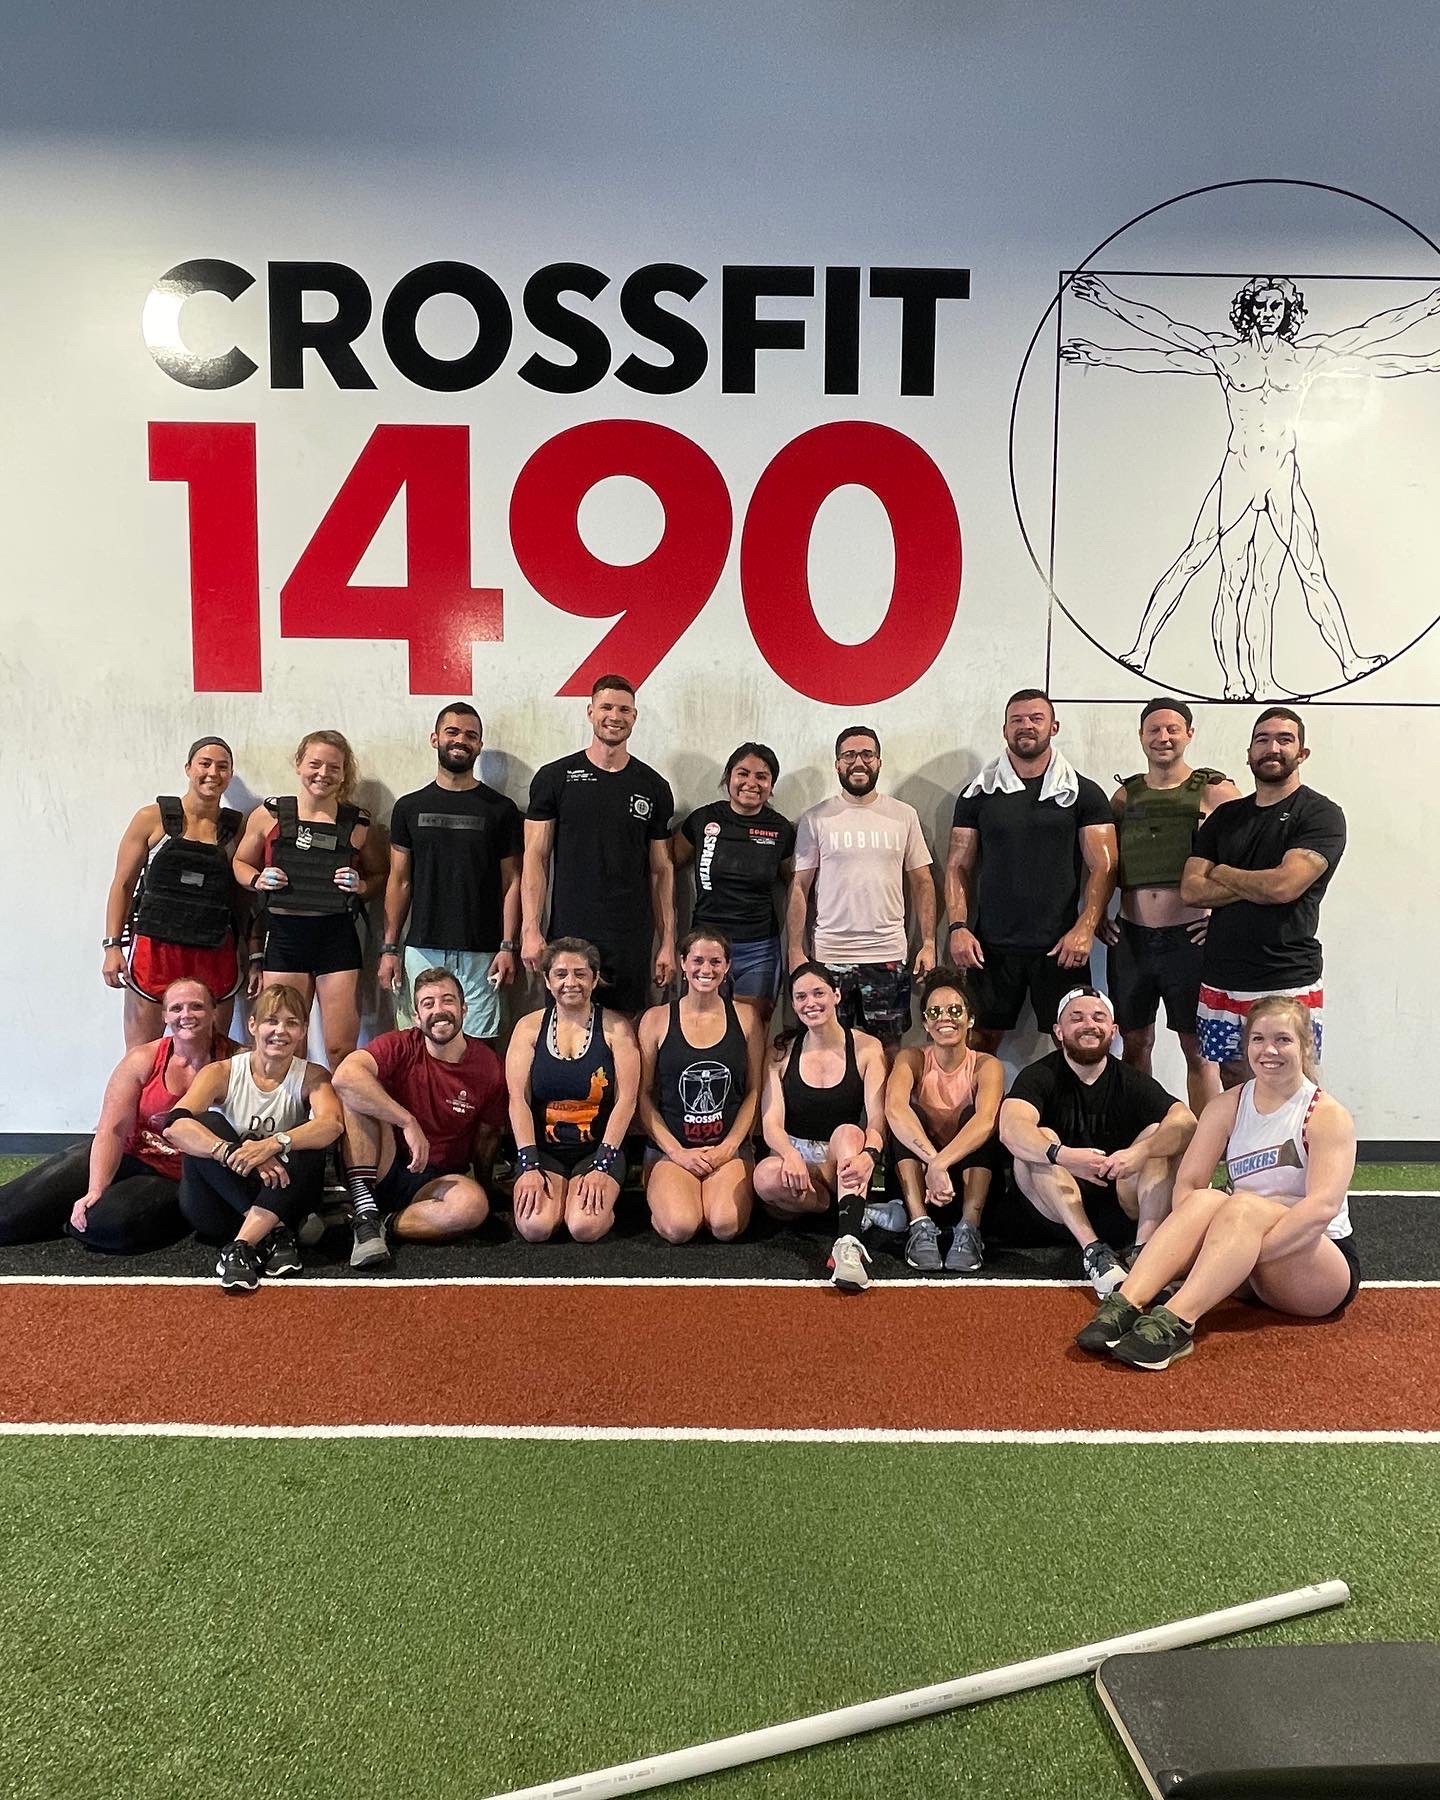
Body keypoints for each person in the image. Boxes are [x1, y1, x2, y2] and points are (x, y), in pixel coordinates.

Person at [1060, 274, 1440, 696]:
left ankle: (1341, 662)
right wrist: (1104, 325)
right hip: (1240, 472)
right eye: (1261, 305)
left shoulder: (1304, 359)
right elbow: (1166, 343)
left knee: (1298, 574)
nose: (1268, 314)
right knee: (1218, 570)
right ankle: (1183, 662)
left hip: (1282, 476)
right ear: (1249, 309)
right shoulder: (1229, 355)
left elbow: (1369, 343)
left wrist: (1428, 327)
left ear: (1288, 312)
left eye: (1277, 306)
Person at [1076, 997, 1358, 1370]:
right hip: (1240, 1251)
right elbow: (1189, 1186)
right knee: (1205, 1200)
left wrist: (1243, 1254)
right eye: (1258, 1039)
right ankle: (1125, 1303)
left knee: (1242, 1205)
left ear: (1306, 1046)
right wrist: (1223, 1250)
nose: (1269, 1050)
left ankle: (1176, 1321)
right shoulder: (1227, 1106)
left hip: (1313, 1263)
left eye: (1283, 1039)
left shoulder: (1326, 1115)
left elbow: (1320, 1210)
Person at [0, 978, 241, 1251]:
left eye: (196, 1006)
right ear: (164, 1015)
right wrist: (95, 1189)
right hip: (128, 1155)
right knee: (7, 1214)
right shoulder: (142, 1059)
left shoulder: (238, 1062)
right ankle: (64, 1210)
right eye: (176, 1008)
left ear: (213, 1011)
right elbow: (111, 1130)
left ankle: (70, 1220)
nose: (186, 1015)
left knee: (106, 1225)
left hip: (176, 1177)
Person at [1182, 708, 1345, 1087]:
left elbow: (1283, 887)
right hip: (1222, 976)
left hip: (1286, 977)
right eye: (1262, 739)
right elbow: (1191, 889)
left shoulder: (1320, 814)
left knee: (1290, 1081)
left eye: (1284, 739)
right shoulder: (1226, 817)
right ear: (1249, 754)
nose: (1272, 747)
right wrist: (1262, 881)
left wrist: (1222, 871)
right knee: (1232, 1078)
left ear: (1302, 753)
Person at [946, 690, 1117, 1053]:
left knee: (1076, 1044)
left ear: (1054, 727)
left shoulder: (1084, 793)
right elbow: (958, 865)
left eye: (1036, 719)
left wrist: (1085, 928)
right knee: (977, 1044)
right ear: (1005, 729)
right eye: (1017, 720)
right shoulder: (977, 795)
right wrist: (958, 927)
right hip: (990, 948)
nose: (1026, 726)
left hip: (1062, 947)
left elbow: (1104, 865)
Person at [999, 986, 1197, 1296]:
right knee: (1040, 1141)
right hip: (1055, 1212)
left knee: (1158, 1134)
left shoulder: (1130, 1080)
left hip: (1119, 1207)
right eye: (1077, 1018)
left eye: (1098, 1018)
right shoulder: (1039, 1075)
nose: (1089, 1025)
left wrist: (1141, 1152)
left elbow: (1187, 1122)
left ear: (1113, 1030)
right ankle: (1094, 1252)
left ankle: (1144, 1251)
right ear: (1058, 1031)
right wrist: (1064, 1156)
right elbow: (1010, 1128)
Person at [1101, 698, 1240, 1115]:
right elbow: (1102, 863)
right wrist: (1095, 916)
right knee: (1135, 1042)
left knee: (1198, 1049)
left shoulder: (1216, 791)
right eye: (1154, 729)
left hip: (1190, 942)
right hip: (1131, 940)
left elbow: (1247, 859)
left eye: (1172, 729)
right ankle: (1142, 1133)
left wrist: (1223, 917)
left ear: (1189, 734)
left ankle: (1205, 1140)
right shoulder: (1125, 796)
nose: (1163, 737)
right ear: (1141, 736)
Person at [163, 984, 343, 1293]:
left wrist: (271, 1145)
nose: (280, 1031)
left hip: (279, 1195)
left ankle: (241, 1246)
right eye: (271, 1021)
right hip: (224, 1205)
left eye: (291, 1023)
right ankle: (276, 1233)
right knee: (206, 1123)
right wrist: (231, 1151)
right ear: (253, 1025)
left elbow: (332, 1124)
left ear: (303, 1031)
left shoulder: (312, 1075)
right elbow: (173, 1126)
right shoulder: (221, 1072)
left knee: (308, 1140)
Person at [331, 966, 508, 1269]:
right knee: (355, 1093)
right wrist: (406, 1121)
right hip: (381, 1162)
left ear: (464, 1009)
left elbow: (487, 1137)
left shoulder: (488, 1066)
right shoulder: (400, 1044)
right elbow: (344, 1076)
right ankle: (364, 1208)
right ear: (416, 1016)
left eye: (448, 1000)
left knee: (472, 1206)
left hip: (435, 1180)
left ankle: (382, 1223)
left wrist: (486, 1187)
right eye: (428, 1004)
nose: (439, 1011)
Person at [522, 675, 676, 1019]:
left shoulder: (653, 786)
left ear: (634, 717)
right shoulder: (555, 778)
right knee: (567, 1028)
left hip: (629, 937)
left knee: (625, 1031)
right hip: (569, 934)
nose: (615, 716)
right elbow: (535, 857)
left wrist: (667, 941)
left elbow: (661, 870)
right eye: (606, 707)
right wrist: (530, 929)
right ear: (590, 712)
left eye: (624, 709)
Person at [232, 730, 387, 1067]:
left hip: (337, 937)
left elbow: (380, 876)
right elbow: (240, 863)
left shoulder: (358, 823)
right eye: (315, 764)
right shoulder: (269, 815)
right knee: (285, 1045)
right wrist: (258, 879)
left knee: (340, 1049)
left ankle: (340, 1102)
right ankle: (292, 1103)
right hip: (285, 936)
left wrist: (361, 885)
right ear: (299, 764)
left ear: (344, 773)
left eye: (333, 767)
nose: (323, 774)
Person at [377, 702, 523, 1042]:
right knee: (419, 1045)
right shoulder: (409, 807)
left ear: (479, 746)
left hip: (483, 953)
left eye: (471, 735)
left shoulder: (501, 810)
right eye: (452, 732)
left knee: (478, 1047)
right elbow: (399, 881)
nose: (461, 740)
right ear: (435, 738)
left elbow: (512, 881)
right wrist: (389, 949)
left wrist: (507, 946)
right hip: (421, 949)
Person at [787, 726, 935, 1060]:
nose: (858, 762)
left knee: (888, 1049)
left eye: (867, 754)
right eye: (849, 755)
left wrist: (929, 943)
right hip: (829, 955)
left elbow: (923, 882)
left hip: (887, 955)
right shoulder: (816, 818)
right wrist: (796, 949)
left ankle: (881, 1099)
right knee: (827, 1047)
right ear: (837, 764)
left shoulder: (903, 815)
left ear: (879, 761)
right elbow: (799, 886)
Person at [102, 737, 250, 1048]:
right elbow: (123, 884)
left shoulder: (236, 829)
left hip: (213, 953)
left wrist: (248, 952)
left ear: (230, 774)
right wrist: (112, 946)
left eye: (222, 767)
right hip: (155, 950)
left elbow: (242, 898)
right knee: (142, 1055)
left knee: (211, 1058)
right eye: (205, 764)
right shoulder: (152, 818)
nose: (213, 773)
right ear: (188, 768)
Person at [753, 962, 888, 1292]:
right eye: (801, 997)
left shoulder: (867, 1048)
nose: (810, 1003)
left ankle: (848, 1244)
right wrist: (789, 1154)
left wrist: (869, 1156)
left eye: (818, 993)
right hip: (794, 1169)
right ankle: (846, 1209)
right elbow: (771, 1122)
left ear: (836, 995)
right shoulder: (781, 1052)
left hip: (840, 1158)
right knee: (763, 1176)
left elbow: (877, 1120)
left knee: (849, 1132)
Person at [505, 938, 641, 1244]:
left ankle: (587, 1202)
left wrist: (602, 1164)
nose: (571, 982)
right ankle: (561, 1197)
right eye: (561, 974)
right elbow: (518, 1100)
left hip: (597, 1149)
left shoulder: (617, 1029)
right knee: (534, 1228)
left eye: (580, 974)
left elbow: (627, 1101)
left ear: (594, 978)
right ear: (547, 980)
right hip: (544, 1150)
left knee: (584, 1227)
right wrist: (528, 1165)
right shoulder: (528, 1028)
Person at [638, 930, 766, 1245]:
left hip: (728, 1149)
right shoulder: (656, 1020)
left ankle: (707, 1192)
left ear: (727, 966)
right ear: (683, 963)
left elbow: (754, 1091)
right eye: (697, 960)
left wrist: (729, 1147)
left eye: (715, 962)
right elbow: (642, 1095)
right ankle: (666, 1192)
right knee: (680, 1228)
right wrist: (676, 1152)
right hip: (673, 1150)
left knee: (724, 1225)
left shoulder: (747, 1018)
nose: (705, 970)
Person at [883, 969, 1004, 1274]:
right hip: (921, 1186)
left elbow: (986, 1121)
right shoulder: (912, 1058)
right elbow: (894, 1110)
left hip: (968, 1185)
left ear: (970, 1019)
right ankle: (919, 1225)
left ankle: (969, 1229)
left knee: (974, 1118)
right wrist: (933, 1164)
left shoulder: (986, 1065)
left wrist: (941, 1164)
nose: (945, 1018)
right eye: (935, 1012)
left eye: (954, 1010)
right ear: (925, 1023)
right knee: (909, 1117)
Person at [673, 743, 795, 1024]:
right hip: (705, 946)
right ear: (728, 777)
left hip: (758, 949)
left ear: (771, 785)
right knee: (699, 1026)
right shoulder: (703, 820)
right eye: (743, 773)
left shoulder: (781, 830)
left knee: (751, 1028)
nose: (751, 783)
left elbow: (796, 884)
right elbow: (666, 866)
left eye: (761, 776)